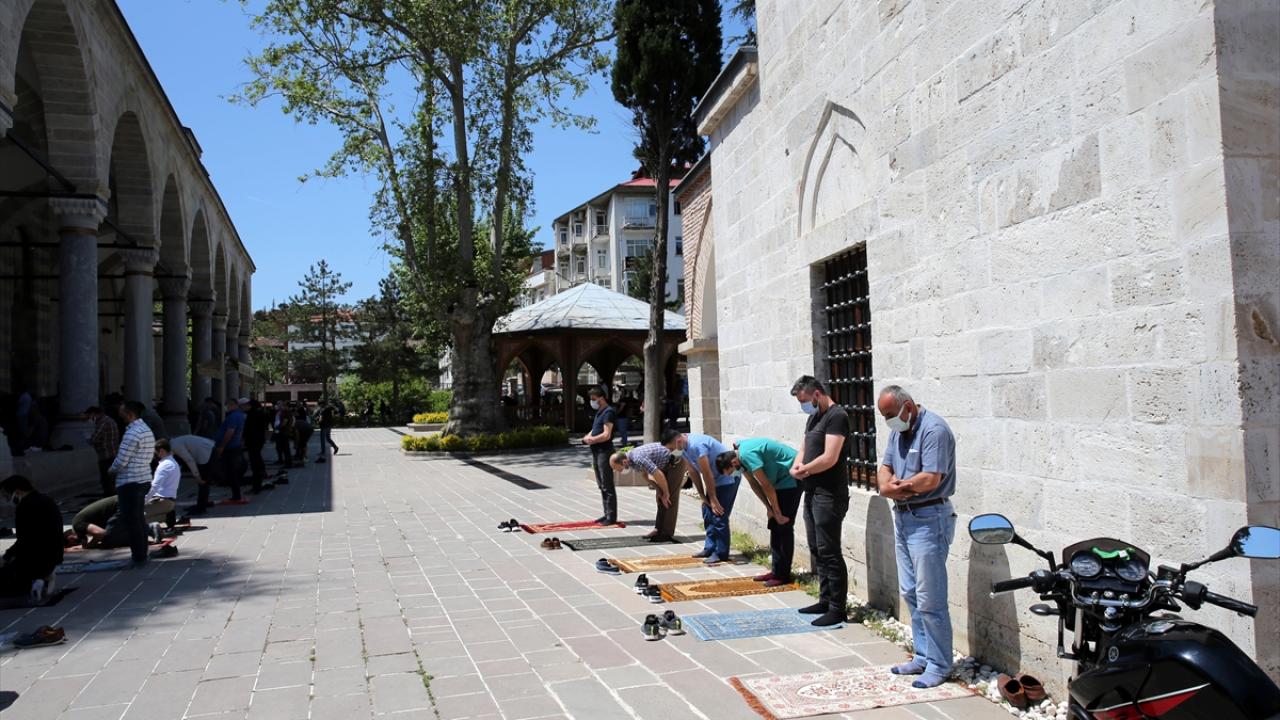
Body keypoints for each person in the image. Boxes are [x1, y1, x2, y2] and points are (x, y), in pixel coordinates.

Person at [877, 385, 958, 689]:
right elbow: (884, 468)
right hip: (904, 516)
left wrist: (896, 488)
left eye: (890, 414)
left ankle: (940, 664)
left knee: (930, 597)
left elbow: (930, 479)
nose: (888, 421)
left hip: (929, 518)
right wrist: (888, 486)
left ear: (907, 406)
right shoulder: (898, 430)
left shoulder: (933, 430)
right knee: (910, 591)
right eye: (883, 416)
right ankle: (923, 655)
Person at [789, 376, 850, 628]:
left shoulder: (837, 416)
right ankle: (824, 599)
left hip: (829, 493)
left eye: (804, 400)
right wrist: (796, 466)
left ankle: (838, 608)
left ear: (816, 394)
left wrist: (806, 470)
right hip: (812, 491)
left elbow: (830, 457)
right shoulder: (812, 418)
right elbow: (804, 449)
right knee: (816, 548)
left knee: (829, 550)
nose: (803, 405)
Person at [716, 438, 802, 586]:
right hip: (780, 483)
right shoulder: (740, 460)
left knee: (783, 526)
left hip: (791, 479)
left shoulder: (747, 455)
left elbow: (766, 485)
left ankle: (783, 575)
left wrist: (777, 512)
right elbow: (754, 484)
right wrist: (769, 509)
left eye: (732, 472)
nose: (734, 475)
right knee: (774, 525)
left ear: (734, 463)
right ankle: (776, 570)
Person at [609, 430, 685, 542]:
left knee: (670, 498)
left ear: (624, 462)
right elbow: (646, 476)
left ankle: (666, 533)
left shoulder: (638, 457)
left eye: (617, 469)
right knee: (661, 498)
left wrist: (666, 492)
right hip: (665, 464)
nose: (618, 472)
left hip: (676, 461)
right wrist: (659, 490)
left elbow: (658, 474)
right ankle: (658, 529)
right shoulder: (632, 460)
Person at [677, 432, 739, 564]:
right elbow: (693, 472)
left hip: (728, 478)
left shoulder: (697, 445)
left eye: (672, 448)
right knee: (707, 511)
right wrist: (702, 496)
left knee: (719, 514)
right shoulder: (683, 449)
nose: (673, 451)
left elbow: (707, 473)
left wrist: (713, 498)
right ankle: (710, 547)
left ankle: (721, 553)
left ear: (678, 440)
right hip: (715, 480)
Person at [108, 400, 155, 566]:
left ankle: (139, 556)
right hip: (143, 478)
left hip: (130, 481)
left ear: (129, 414)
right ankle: (142, 553)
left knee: (132, 520)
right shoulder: (146, 430)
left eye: (122, 412)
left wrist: (111, 470)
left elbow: (121, 461)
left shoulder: (132, 434)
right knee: (138, 519)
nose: (120, 415)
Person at [0, 475, 63, 598]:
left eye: (6, 496)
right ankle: (42, 576)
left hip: (36, 559)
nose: (6, 500)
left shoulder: (25, 507)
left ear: (17, 492)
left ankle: (37, 579)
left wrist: (6, 557)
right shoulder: (46, 499)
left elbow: (25, 541)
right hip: (54, 557)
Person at [581, 386, 617, 525]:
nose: (592, 401)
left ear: (601, 398)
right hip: (596, 451)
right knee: (601, 484)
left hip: (604, 451)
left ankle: (611, 516)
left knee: (607, 484)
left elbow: (607, 434)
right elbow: (595, 429)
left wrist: (593, 439)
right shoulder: (599, 412)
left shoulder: (608, 412)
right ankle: (606, 513)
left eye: (594, 399)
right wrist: (587, 437)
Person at [170, 434, 216, 515]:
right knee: (205, 481)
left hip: (206, 452)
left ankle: (201, 508)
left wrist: (196, 475)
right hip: (208, 447)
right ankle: (204, 503)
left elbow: (189, 460)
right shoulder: (175, 441)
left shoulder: (175, 446)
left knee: (203, 481)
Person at [212, 398, 247, 503]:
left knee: (230, 471)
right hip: (234, 446)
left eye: (227, 405)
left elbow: (230, 432)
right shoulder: (239, 415)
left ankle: (236, 496)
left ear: (232, 405)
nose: (226, 407)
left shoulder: (233, 417)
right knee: (232, 471)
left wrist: (222, 446)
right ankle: (236, 494)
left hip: (230, 447)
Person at [86, 406, 120, 497]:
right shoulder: (110, 420)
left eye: (90, 416)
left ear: (94, 414)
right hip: (113, 453)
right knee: (111, 479)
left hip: (106, 455)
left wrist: (88, 438)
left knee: (107, 480)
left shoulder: (103, 422)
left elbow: (94, 439)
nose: (90, 418)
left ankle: (109, 499)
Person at [244, 399, 270, 491]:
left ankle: (256, 485)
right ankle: (258, 481)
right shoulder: (259, 413)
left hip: (253, 441)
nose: (244, 407)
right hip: (257, 441)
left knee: (255, 463)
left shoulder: (252, 415)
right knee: (257, 461)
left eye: (246, 405)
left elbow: (249, 429)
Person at [274, 403, 295, 468]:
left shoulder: (286, 412)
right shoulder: (283, 412)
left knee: (285, 448)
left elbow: (284, 422)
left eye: (281, 405)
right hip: (283, 432)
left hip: (284, 432)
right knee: (283, 447)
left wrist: (278, 427)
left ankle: (288, 463)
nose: (278, 406)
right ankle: (286, 461)